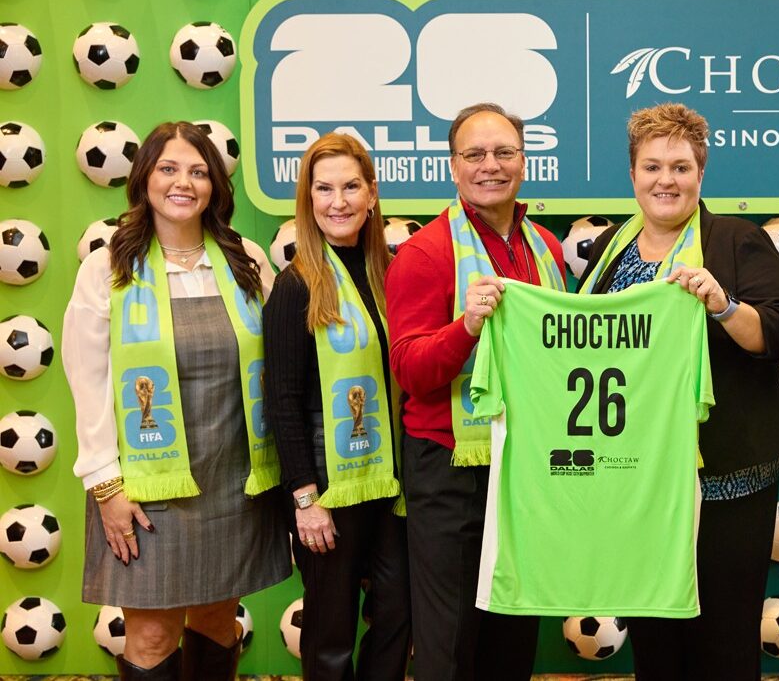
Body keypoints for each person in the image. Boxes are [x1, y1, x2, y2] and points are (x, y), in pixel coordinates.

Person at [577, 102, 779, 679]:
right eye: (652, 167)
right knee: (655, 639)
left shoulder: (737, 241)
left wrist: (723, 305)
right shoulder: (610, 251)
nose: (666, 181)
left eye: (680, 167)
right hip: (638, 479)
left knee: (723, 641)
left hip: (725, 478)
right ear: (632, 174)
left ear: (701, 173)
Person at [63, 121, 290, 680]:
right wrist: (107, 486)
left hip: (233, 479)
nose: (183, 183)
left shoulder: (244, 260)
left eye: (198, 171)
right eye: (168, 169)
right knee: (151, 634)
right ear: (145, 179)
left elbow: (282, 357)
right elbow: (87, 382)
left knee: (217, 619)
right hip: (145, 487)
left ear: (214, 185)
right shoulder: (108, 267)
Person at [385, 102, 565, 679]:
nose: (491, 165)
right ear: (453, 166)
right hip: (450, 471)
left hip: (526, 465)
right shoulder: (423, 254)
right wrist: (464, 327)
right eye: (475, 154)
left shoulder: (546, 248)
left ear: (524, 161)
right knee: (450, 639)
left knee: (513, 627)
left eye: (504, 152)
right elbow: (409, 370)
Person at [263, 133, 410, 679]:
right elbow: (281, 400)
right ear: (308, 198)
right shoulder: (296, 286)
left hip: (389, 481)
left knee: (399, 611)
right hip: (326, 484)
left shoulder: (390, 274)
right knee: (330, 629)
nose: (338, 201)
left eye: (350, 187)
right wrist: (305, 500)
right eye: (324, 189)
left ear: (372, 193)